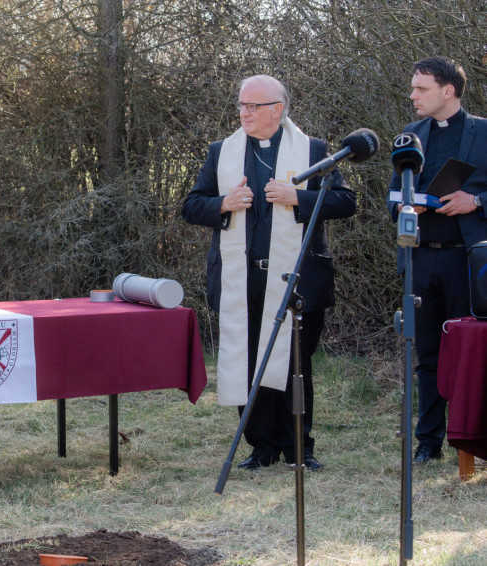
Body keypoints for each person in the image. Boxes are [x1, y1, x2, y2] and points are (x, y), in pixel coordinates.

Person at [181, 75, 356, 471]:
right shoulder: (222, 152)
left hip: (296, 278)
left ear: (277, 109)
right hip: (241, 279)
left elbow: (346, 202)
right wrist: (223, 203)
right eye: (241, 105)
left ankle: (298, 448)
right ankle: (261, 447)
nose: (243, 112)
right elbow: (191, 205)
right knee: (248, 362)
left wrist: (300, 197)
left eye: (252, 106)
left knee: (294, 364)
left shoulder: (313, 150)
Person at [387, 56, 487, 464]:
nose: (413, 95)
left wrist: (475, 201)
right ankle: (428, 442)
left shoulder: (484, 132)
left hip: (468, 264)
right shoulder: (409, 136)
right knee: (425, 354)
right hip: (419, 260)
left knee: (469, 357)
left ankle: (471, 439)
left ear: (448, 91)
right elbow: (392, 195)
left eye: (421, 88)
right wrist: (404, 206)